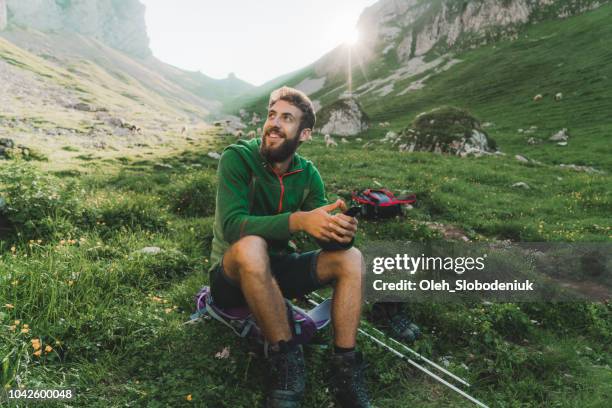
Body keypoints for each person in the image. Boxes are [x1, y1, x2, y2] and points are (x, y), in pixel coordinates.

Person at [208, 86, 372, 408]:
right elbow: (232, 226)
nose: (274, 124)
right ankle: (286, 359)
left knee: (352, 258)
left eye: (286, 118)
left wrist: (340, 231)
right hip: (232, 275)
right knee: (251, 245)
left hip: (277, 272)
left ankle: (345, 367)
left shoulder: (308, 174)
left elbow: (322, 232)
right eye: (272, 115)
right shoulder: (237, 158)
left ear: (305, 133)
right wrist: (298, 221)